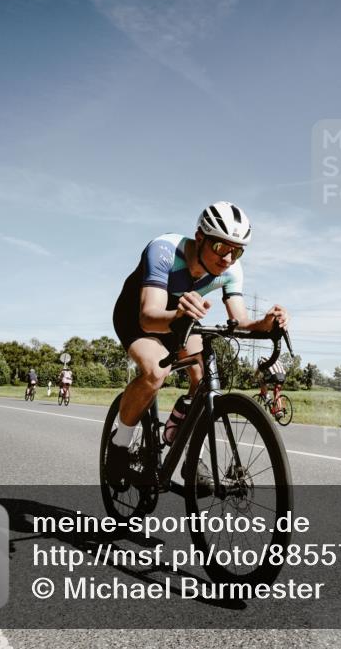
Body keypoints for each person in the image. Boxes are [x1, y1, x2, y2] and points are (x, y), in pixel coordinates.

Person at [108, 201, 289, 483]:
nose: (228, 258)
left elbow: (239, 320)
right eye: (220, 246)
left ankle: (193, 453)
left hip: (183, 318)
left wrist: (263, 324)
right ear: (200, 237)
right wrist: (178, 314)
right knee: (156, 372)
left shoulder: (232, 270)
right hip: (138, 315)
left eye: (237, 251)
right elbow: (149, 316)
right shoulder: (164, 250)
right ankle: (119, 444)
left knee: (203, 376)